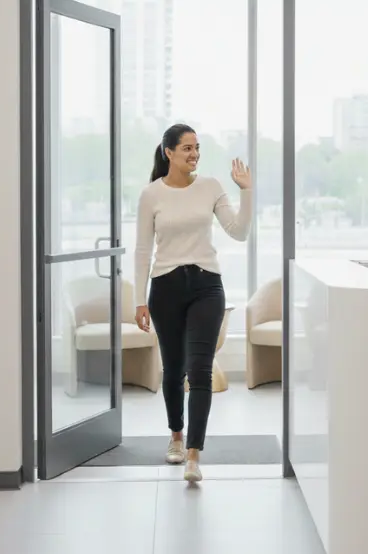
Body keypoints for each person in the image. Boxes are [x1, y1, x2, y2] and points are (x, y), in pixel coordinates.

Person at [134, 123, 252, 482]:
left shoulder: (211, 187)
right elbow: (142, 250)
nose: (194, 154)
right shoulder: (151, 195)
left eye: (197, 147)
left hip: (206, 286)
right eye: (186, 148)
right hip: (166, 287)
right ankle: (175, 435)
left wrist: (246, 192)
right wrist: (139, 300)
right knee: (173, 370)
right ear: (168, 152)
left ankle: (193, 455)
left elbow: (239, 232)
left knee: (200, 370)